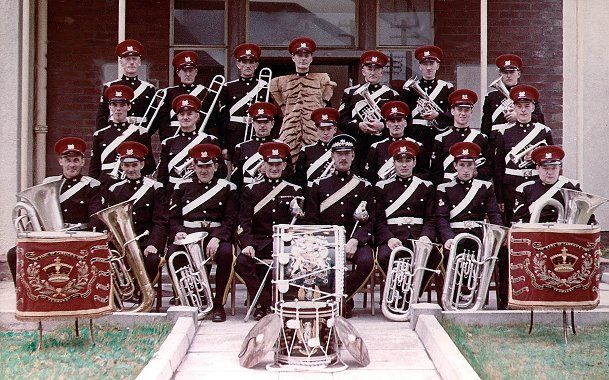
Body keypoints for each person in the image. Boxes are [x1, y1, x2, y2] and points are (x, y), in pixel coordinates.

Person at [7, 137, 104, 284]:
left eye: (76, 160)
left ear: (83, 162)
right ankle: (25, 297)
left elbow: (96, 217)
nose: (72, 165)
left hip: (78, 237)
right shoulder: (48, 184)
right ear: (61, 161)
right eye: (68, 160)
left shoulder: (91, 186)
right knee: (14, 254)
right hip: (51, 236)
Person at [167, 143, 238, 322]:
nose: (204, 170)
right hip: (189, 234)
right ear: (193, 166)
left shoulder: (227, 187)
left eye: (208, 166)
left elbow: (230, 219)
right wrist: (178, 232)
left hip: (215, 234)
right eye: (200, 166)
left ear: (215, 166)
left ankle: (218, 304)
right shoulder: (181, 187)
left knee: (225, 253)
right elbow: (173, 217)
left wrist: (217, 237)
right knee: (172, 254)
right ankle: (190, 299)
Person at [306, 134, 375, 318]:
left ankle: (340, 299)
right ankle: (338, 302)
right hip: (326, 241)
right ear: (332, 156)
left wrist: (355, 240)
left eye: (347, 153)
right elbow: (311, 221)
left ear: (353, 156)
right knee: (323, 260)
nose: (343, 158)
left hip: (354, 241)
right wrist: (324, 242)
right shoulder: (318, 185)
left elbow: (370, 221)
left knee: (367, 262)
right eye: (338, 153)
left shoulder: (364, 186)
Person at [236, 141, 302, 320]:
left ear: (284, 165)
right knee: (241, 261)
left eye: (278, 164)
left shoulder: (294, 190)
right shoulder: (251, 190)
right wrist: (247, 243)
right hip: (259, 241)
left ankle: (284, 301)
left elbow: (299, 223)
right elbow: (244, 221)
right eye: (270, 164)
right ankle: (266, 302)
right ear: (263, 165)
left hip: (284, 242)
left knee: (295, 261)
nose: (274, 168)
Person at [435, 142, 504, 308]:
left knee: (489, 253)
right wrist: (448, 238)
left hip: (477, 236)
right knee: (446, 254)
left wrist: (499, 234)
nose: (465, 170)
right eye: (462, 165)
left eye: (469, 165)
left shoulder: (485, 187)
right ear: (455, 166)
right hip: (454, 234)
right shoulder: (444, 188)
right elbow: (442, 218)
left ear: (475, 166)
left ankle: (476, 294)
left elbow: (493, 213)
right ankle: (449, 298)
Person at [374, 140, 437, 280]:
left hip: (418, 235)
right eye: (399, 161)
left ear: (414, 162)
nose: (404, 165)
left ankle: (413, 293)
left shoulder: (426, 187)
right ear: (393, 163)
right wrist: (388, 238)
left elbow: (431, 218)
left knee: (434, 256)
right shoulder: (382, 187)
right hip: (393, 235)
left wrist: (426, 236)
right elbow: (378, 220)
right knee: (384, 256)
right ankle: (401, 295)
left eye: (408, 160)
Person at [106, 141, 168, 281]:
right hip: (122, 242)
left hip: (145, 241)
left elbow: (160, 221)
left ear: (142, 164)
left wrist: (154, 244)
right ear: (121, 166)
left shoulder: (154, 188)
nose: (131, 169)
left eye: (134, 165)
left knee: (152, 260)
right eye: (127, 165)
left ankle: (144, 295)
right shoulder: (114, 190)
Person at [491, 85, 553, 224]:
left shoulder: (544, 131)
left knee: (536, 221)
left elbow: (551, 162)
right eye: (519, 106)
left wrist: (536, 157)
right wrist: (499, 197)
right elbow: (498, 167)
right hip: (511, 186)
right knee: (513, 223)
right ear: (514, 107)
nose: (523, 110)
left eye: (527, 105)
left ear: (533, 107)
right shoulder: (503, 132)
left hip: (536, 183)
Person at [270, 37, 336, 163]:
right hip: (288, 135)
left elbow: (327, 112)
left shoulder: (322, 81)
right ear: (293, 58)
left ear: (311, 58)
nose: (303, 59)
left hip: (314, 135)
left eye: (306, 55)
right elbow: (277, 114)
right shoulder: (281, 83)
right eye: (299, 55)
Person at [338, 50, 398, 173]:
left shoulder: (391, 94)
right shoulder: (350, 93)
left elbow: (401, 122)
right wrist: (358, 125)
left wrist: (383, 125)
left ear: (382, 72)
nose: (373, 72)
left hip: (382, 144)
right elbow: (341, 120)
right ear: (363, 70)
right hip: (358, 144)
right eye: (369, 68)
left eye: (376, 69)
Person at [157, 94, 224, 195]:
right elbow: (162, 176)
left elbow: (222, 172)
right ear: (177, 117)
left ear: (197, 116)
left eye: (189, 114)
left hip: (200, 192)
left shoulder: (209, 140)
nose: (185, 118)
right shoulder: (168, 143)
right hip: (173, 192)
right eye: (182, 114)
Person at [90, 84, 155, 185]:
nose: (118, 109)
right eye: (114, 105)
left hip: (131, 184)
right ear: (109, 106)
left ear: (129, 107)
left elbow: (150, 165)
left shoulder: (140, 133)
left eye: (122, 105)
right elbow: (94, 168)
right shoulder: (100, 134)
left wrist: (129, 168)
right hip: (105, 185)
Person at [513, 145, 594, 224]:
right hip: (537, 233)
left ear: (559, 168)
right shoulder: (525, 188)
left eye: (554, 168)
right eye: (545, 168)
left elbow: (587, 218)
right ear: (537, 168)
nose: (550, 172)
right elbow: (519, 220)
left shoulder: (571, 187)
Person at [218, 43, 269, 159]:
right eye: (244, 62)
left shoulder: (264, 87)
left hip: (256, 133)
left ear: (256, 65)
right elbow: (222, 118)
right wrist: (223, 145)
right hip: (234, 134)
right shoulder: (228, 87)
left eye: (251, 62)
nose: (247, 66)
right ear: (238, 64)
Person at [430, 89, 491, 185]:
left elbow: (488, 168)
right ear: (452, 111)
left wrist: (476, 174)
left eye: (467, 110)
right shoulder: (441, 138)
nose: (463, 113)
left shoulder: (481, 138)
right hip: (448, 189)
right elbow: (436, 171)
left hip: (473, 190)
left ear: (471, 112)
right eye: (459, 109)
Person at [401, 45, 454, 153]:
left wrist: (438, 115)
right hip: (416, 135)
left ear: (437, 66)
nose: (428, 68)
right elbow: (404, 115)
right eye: (425, 64)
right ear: (420, 66)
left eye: (432, 63)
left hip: (439, 134)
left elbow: (454, 115)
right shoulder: (410, 89)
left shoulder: (446, 88)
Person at [152, 51, 215, 142]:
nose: (188, 74)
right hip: (174, 137)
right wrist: (167, 141)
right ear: (178, 73)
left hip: (199, 137)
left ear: (196, 72)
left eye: (191, 70)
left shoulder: (206, 92)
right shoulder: (169, 93)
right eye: (185, 71)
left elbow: (211, 121)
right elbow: (163, 122)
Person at [96, 39, 156, 131]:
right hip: (115, 134)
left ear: (139, 62)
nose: (131, 62)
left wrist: (144, 134)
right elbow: (101, 118)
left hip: (140, 135)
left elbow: (154, 119)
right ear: (121, 62)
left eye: (134, 59)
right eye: (127, 59)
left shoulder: (148, 88)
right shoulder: (110, 87)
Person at [363, 100, 429, 184]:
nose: (396, 124)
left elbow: (425, 175)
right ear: (386, 124)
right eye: (392, 121)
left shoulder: (416, 146)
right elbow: (369, 177)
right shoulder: (376, 147)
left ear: (405, 123)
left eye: (399, 120)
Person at [481, 54, 545, 136]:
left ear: (518, 74)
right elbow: (486, 124)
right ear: (500, 74)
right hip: (496, 140)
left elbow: (539, 119)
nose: (508, 76)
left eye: (512, 72)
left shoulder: (528, 94)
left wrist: (518, 117)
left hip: (520, 138)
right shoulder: (491, 96)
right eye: (505, 72)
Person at [232, 102, 292, 189]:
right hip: (247, 194)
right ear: (253, 123)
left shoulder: (282, 147)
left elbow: (289, 175)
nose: (262, 126)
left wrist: (269, 171)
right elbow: (237, 178)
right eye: (259, 122)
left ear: (272, 124)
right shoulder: (241, 148)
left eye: (266, 122)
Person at [293, 107, 338, 189]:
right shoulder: (307, 151)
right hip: (312, 195)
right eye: (322, 129)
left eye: (329, 129)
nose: (325, 133)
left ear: (335, 129)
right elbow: (300, 179)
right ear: (316, 129)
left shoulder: (340, 150)